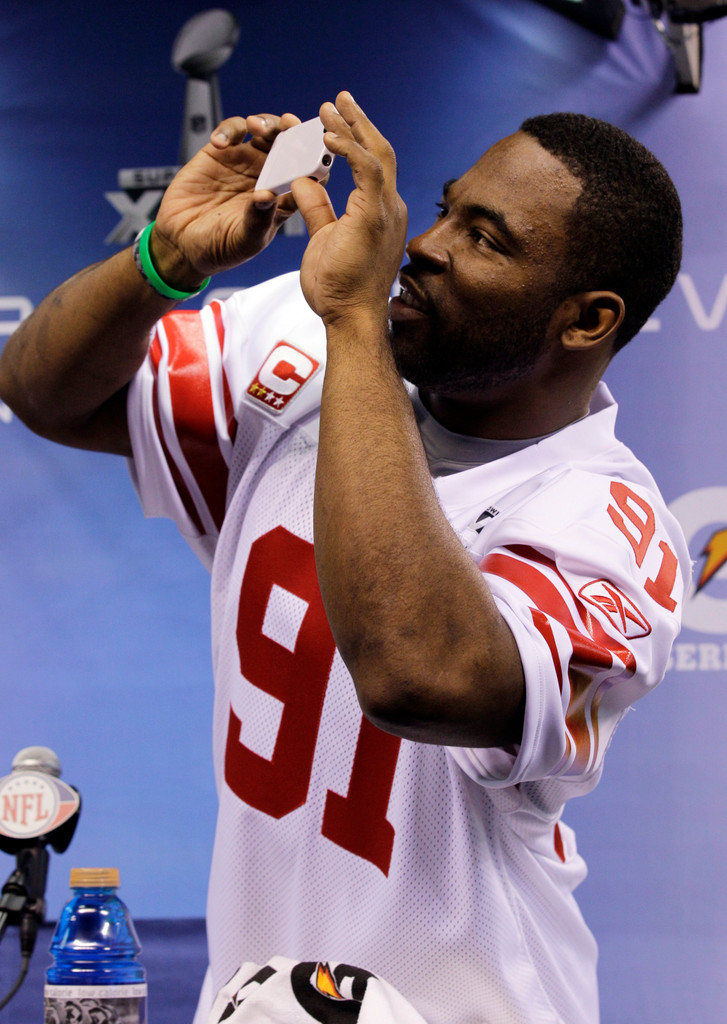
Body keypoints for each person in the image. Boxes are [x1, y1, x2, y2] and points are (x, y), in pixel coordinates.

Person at [0, 93, 690, 1024]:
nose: (427, 243)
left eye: (486, 239)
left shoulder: (605, 518)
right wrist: (162, 265)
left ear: (586, 319)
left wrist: (356, 324)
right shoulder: (307, 334)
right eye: (445, 208)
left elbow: (416, 674)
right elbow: (45, 394)